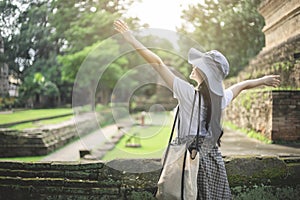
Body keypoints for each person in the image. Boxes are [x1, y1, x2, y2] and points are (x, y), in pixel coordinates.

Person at [114, 19, 280, 199]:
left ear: (203, 70)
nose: (193, 65)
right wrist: (262, 81)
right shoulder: (220, 99)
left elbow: (158, 63)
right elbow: (241, 86)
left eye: (198, 63)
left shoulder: (188, 94)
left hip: (188, 159)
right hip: (212, 161)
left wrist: (131, 40)